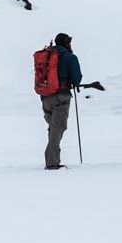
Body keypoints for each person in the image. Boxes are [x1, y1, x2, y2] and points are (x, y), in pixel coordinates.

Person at [38, 32, 83, 170]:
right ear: (66, 42)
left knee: (53, 129)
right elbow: (76, 79)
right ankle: (52, 163)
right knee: (58, 129)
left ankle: (52, 160)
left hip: (45, 97)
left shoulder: (48, 56)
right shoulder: (70, 57)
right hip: (61, 97)